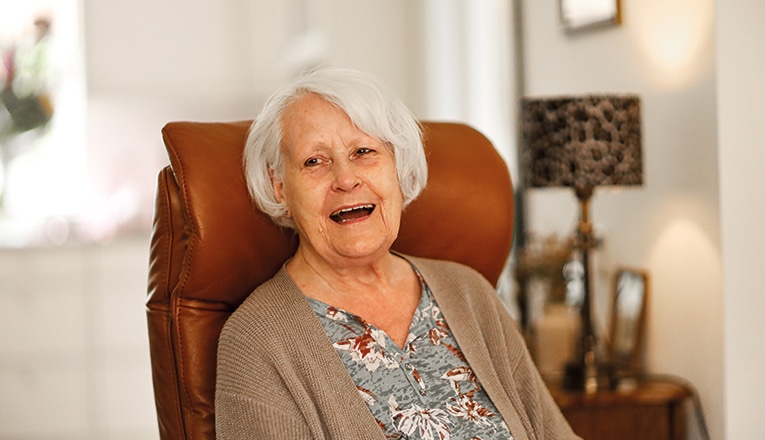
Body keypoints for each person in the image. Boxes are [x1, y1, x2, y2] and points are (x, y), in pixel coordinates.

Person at [215, 67, 580, 440]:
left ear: (397, 167)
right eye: (314, 161)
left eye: (363, 152)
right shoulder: (256, 341)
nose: (345, 179)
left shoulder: (469, 292)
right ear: (280, 187)